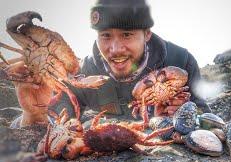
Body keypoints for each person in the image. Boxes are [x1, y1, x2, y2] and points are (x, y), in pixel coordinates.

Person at [10, 0, 211, 128]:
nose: (115, 49)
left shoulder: (180, 61)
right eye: (106, 36)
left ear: (147, 33)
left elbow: (209, 118)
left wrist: (189, 113)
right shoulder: (83, 73)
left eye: (127, 35)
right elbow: (55, 125)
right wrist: (33, 113)